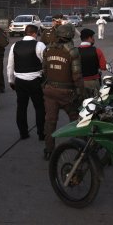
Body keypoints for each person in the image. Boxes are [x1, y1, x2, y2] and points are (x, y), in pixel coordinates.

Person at [42, 23, 84, 160]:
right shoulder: (72, 51)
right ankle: (81, 149)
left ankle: (49, 150)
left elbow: (45, 71)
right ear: (69, 34)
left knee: (50, 121)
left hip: (50, 91)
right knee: (76, 119)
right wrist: (80, 93)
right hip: (67, 92)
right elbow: (77, 75)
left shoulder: (47, 49)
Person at [7, 24, 46, 140]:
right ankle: (41, 133)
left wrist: (11, 80)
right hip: (35, 80)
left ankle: (23, 133)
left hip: (20, 80)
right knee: (39, 107)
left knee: (21, 107)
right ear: (34, 33)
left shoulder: (15, 45)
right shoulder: (39, 45)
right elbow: (45, 64)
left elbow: (10, 65)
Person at [78, 28, 107, 98]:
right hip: (93, 82)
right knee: (94, 103)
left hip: (79, 82)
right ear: (89, 38)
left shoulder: (75, 51)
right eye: (93, 37)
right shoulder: (97, 51)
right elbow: (103, 67)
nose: (94, 39)